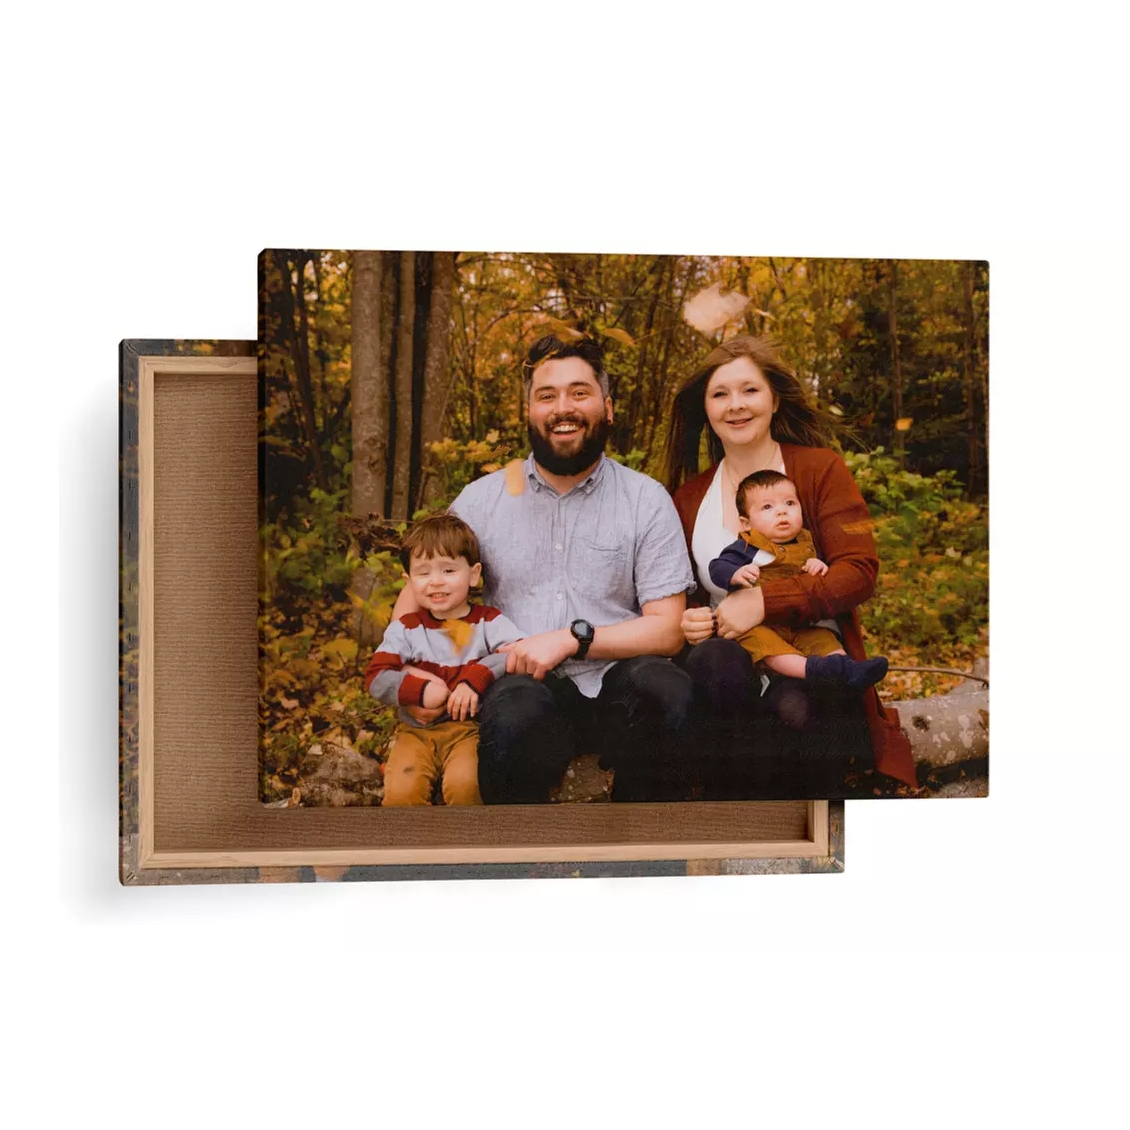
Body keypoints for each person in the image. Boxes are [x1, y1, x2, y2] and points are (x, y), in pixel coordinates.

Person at [390, 334, 695, 803]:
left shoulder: (645, 499)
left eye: (579, 392)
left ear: (607, 408)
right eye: (546, 396)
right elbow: (420, 585)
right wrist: (409, 674)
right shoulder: (482, 499)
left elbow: (668, 629)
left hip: (618, 681)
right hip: (522, 686)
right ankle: (520, 865)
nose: (562, 408)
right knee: (514, 715)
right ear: (529, 412)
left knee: (669, 689)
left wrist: (573, 638)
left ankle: (641, 858)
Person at [666, 334, 915, 794]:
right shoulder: (687, 497)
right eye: (720, 394)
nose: (735, 405)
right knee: (716, 662)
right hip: (729, 671)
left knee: (795, 709)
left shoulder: (820, 469)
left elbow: (858, 569)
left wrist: (766, 599)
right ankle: (737, 828)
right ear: (705, 409)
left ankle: (807, 843)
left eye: (749, 390)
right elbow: (691, 595)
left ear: (775, 399)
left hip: (810, 656)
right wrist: (694, 619)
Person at [364, 514, 525, 806]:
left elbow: (516, 652)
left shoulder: (488, 621)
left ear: (473, 574)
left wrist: (475, 677)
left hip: (468, 731)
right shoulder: (406, 628)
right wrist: (421, 690)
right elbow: (376, 676)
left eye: (449, 570)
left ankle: (464, 849)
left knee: (465, 787)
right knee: (402, 794)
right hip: (415, 731)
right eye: (423, 573)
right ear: (409, 581)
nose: (436, 582)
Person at [709, 468, 889, 689]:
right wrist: (734, 574)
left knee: (823, 638)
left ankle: (847, 669)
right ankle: (810, 671)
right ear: (746, 523)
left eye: (790, 504)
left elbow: (825, 577)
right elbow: (717, 567)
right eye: (767, 507)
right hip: (759, 625)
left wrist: (819, 564)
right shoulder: (747, 547)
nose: (781, 512)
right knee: (768, 647)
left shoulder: (806, 543)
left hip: (800, 623)